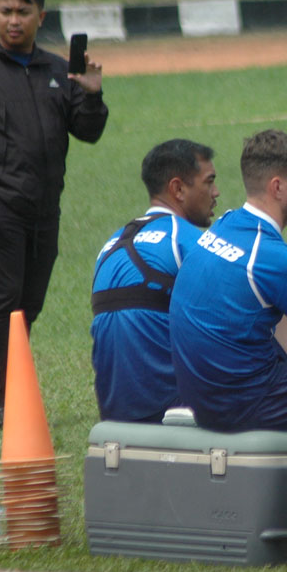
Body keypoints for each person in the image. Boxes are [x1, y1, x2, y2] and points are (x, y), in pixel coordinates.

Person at [0, 0, 108, 433]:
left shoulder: (59, 70)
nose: (13, 20)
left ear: (41, 16)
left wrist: (92, 95)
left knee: (28, 305)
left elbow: (88, 132)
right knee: (0, 302)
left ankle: (10, 391)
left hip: (44, 211)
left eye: (23, 12)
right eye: (5, 11)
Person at [169, 129, 287, 432]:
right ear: (278, 187)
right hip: (244, 406)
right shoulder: (278, 262)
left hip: (203, 394)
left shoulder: (228, 224)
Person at [90, 140, 219, 423]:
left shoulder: (112, 243)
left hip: (114, 412)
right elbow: (258, 269)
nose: (216, 193)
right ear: (178, 189)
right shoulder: (183, 238)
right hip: (168, 412)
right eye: (209, 183)